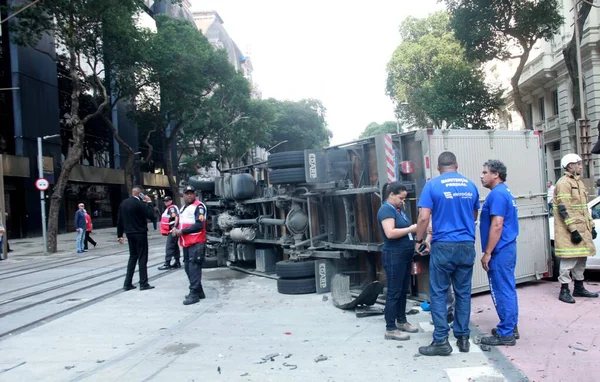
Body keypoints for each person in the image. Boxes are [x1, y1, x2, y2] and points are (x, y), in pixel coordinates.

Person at [414, 151, 480, 356]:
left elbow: (424, 217)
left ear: (438, 167)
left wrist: (419, 240)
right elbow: (474, 214)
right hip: (466, 245)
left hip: (443, 246)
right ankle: (462, 337)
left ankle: (441, 339)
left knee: (439, 293)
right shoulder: (470, 185)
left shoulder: (433, 185)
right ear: (456, 165)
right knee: (463, 293)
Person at [478, 160, 520, 346]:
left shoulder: (497, 195)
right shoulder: (504, 192)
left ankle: (506, 333)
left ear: (496, 174)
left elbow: (497, 224)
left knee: (502, 289)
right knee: (507, 288)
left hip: (500, 250)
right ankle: (510, 326)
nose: (481, 175)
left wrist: (488, 252)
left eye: (485, 172)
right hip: (506, 248)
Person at [553, 154, 598, 303]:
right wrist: (573, 230)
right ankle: (564, 290)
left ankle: (578, 287)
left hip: (582, 229)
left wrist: (591, 226)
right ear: (570, 166)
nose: (580, 166)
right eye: (578, 164)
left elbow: (584, 208)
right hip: (570, 231)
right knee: (568, 260)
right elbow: (564, 208)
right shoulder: (563, 183)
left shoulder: (579, 183)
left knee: (580, 259)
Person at [376, 182, 419, 341]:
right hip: (394, 255)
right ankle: (390, 328)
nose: (403, 201)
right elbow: (390, 233)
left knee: (402, 291)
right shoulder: (386, 210)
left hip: (404, 254)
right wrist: (411, 229)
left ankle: (401, 321)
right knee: (394, 292)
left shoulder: (399, 210)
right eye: (401, 198)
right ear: (391, 195)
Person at [171, 185, 207, 305]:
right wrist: (175, 229)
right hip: (186, 243)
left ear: (194, 194)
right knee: (188, 268)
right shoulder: (183, 208)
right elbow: (181, 222)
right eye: (187, 193)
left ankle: (194, 294)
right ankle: (199, 290)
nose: (189, 195)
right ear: (184, 195)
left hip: (196, 242)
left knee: (193, 268)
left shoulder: (199, 207)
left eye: (191, 193)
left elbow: (199, 225)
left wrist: (181, 232)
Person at [117, 186, 156, 291]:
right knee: (142, 257)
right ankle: (143, 283)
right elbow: (151, 215)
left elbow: (119, 220)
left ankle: (127, 283)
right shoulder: (140, 204)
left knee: (133, 257)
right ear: (140, 194)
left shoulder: (123, 203)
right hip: (140, 233)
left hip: (129, 233)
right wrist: (149, 203)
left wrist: (119, 235)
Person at [158, 196, 181, 270]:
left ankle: (167, 263)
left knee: (169, 246)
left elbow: (176, 217)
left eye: (167, 201)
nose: (165, 202)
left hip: (172, 231)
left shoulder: (171, 208)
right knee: (174, 247)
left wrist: (174, 227)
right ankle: (177, 262)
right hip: (172, 230)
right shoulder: (170, 208)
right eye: (164, 201)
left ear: (171, 201)